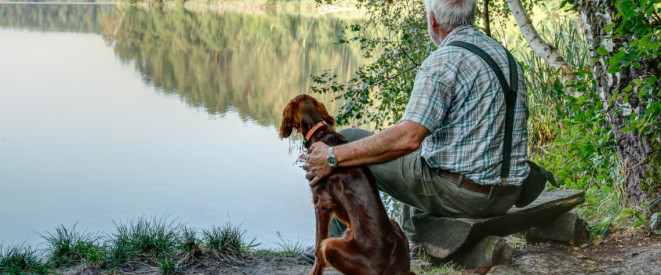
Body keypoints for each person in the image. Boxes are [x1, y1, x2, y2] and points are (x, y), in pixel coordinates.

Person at [302, 0, 529, 259]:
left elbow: (408, 139)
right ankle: (411, 240)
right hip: (509, 193)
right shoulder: (504, 55)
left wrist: (332, 156)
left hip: (469, 197)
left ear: (432, 19)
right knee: (414, 155)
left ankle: (339, 248)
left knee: (346, 141)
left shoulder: (443, 61)